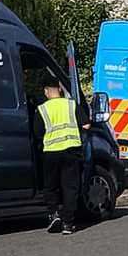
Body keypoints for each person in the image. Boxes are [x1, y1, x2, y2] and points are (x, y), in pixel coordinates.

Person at [38, 79, 85, 235]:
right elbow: (86, 125)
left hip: (50, 152)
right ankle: (68, 223)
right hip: (71, 150)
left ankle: (54, 214)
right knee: (70, 187)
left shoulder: (42, 109)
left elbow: (37, 133)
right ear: (59, 89)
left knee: (50, 186)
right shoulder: (71, 105)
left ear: (46, 91)